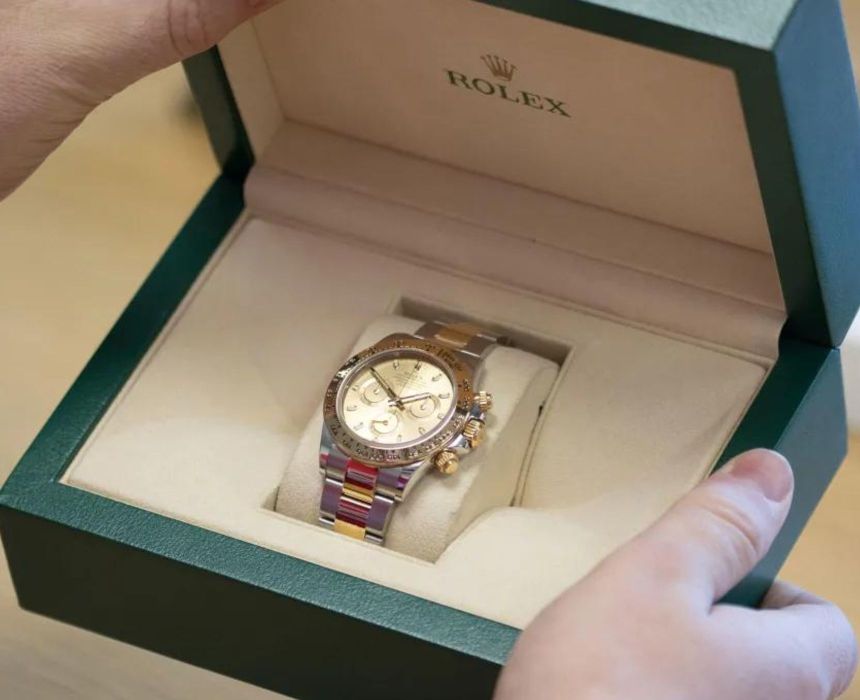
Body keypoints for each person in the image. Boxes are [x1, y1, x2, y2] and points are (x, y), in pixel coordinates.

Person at [1, 2, 856, 698]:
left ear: (468, 425)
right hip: (361, 457)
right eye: (397, 397)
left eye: (433, 410)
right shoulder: (382, 396)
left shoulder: (455, 412)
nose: (410, 405)